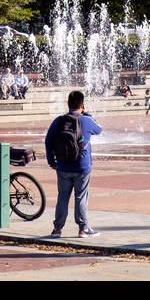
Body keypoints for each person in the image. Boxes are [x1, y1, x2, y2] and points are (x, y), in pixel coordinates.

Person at [44, 90, 103, 238]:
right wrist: (87, 114)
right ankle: (83, 229)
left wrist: (52, 161)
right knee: (81, 197)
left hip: (63, 165)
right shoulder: (86, 120)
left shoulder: (59, 121)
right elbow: (99, 130)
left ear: (68, 104)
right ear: (82, 105)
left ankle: (57, 229)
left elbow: (48, 141)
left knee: (62, 197)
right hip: (82, 166)